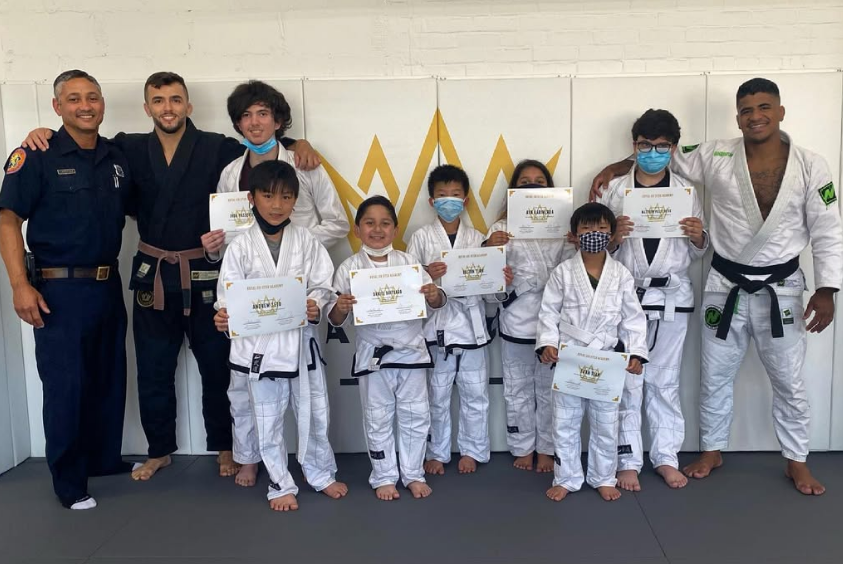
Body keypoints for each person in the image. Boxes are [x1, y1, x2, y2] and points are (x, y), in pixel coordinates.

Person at [22, 72, 320, 481]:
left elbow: (260, 147)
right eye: (159, 101)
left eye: (176, 100)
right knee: (153, 367)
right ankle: (159, 449)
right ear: (147, 108)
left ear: (188, 106)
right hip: (154, 274)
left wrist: (296, 144)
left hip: (205, 271)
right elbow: (83, 141)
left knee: (216, 366)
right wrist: (43, 134)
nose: (168, 108)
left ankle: (226, 445)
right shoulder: (127, 147)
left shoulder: (216, 147)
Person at [590, 78, 843, 495]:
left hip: (781, 285)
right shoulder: (716, 154)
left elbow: (828, 228)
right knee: (714, 375)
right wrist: (618, 165)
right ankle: (711, 450)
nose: (756, 116)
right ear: (737, 117)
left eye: (764, 107)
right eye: (747, 110)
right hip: (725, 283)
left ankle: (796, 459)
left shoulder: (811, 165)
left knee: (789, 379)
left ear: (781, 111)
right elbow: (662, 152)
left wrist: (828, 288)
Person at [0, 70, 133, 509]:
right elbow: (7, 220)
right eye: (73, 99)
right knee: (66, 386)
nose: (85, 105)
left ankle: (102, 460)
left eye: (92, 97)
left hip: (107, 285)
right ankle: (69, 483)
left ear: (102, 103)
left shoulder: (116, 156)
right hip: (59, 290)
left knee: (107, 378)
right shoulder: (35, 154)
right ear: (57, 107)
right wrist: (19, 285)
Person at [206, 80, 348, 487]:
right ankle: (251, 459)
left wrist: (293, 250)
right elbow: (230, 247)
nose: (255, 122)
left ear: (278, 120)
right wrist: (227, 304)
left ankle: (317, 471)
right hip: (253, 314)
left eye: (263, 113)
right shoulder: (230, 173)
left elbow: (335, 227)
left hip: (295, 309)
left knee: (311, 404)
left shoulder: (304, 162)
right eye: (246, 115)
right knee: (247, 398)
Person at [595, 109, 707, 491]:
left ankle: (665, 457)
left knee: (665, 380)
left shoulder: (687, 192)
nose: (653, 153)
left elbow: (695, 253)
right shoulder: (614, 190)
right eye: (646, 145)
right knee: (627, 380)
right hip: (627, 297)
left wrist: (698, 237)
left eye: (662, 146)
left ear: (673, 148)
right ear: (634, 146)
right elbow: (597, 251)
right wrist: (614, 238)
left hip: (672, 297)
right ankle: (627, 459)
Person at [328, 196, 445, 501]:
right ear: (357, 229)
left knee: (415, 413)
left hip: (411, 349)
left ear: (395, 229)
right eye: (370, 223)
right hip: (373, 352)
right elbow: (335, 319)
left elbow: (436, 303)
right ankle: (383, 476)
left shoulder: (410, 264)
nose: (377, 230)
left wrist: (433, 294)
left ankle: (413, 473)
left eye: (385, 223)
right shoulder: (349, 268)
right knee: (377, 415)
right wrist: (341, 306)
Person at [536, 202, 648, 502]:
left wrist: (636, 352)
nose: (594, 233)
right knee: (564, 421)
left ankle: (603, 476)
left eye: (601, 228)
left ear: (611, 234)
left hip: (606, 357)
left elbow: (633, 318)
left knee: (606, 423)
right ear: (574, 234)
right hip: (570, 355)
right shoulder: (563, 272)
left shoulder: (621, 274)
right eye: (586, 228)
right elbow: (548, 313)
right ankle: (566, 477)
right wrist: (547, 343)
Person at [406, 164, 512, 475]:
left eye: (455, 194)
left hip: (472, 327)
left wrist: (500, 282)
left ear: (465, 200)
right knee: (436, 396)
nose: (449, 200)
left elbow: (491, 296)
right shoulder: (421, 238)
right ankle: (436, 452)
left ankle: (472, 450)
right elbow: (408, 287)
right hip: (436, 330)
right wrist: (426, 273)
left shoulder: (479, 238)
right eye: (442, 195)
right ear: (432, 201)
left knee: (475, 394)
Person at [485, 160, 576, 472]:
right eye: (525, 182)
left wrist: (575, 245)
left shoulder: (562, 228)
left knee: (550, 389)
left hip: (554, 319)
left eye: (540, 181)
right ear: (514, 190)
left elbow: (573, 272)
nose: (533, 186)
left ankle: (547, 448)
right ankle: (522, 446)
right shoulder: (500, 230)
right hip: (516, 316)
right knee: (517, 387)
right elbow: (487, 286)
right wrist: (492, 255)